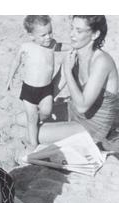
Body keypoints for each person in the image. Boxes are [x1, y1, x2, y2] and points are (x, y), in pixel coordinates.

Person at [37, 15, 119, 145]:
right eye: (72, 28)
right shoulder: (74, 54)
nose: (71, 35)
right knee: (22, 119)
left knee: (36, 133)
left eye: (79, 31)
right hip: (73, 111)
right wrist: (39, 103)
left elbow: (82, 106)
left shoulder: (101, 61)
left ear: (95, 34)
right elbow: (54, 88)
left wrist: (68, 72)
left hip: (93, 126)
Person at [6, 16, 70, 148]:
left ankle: (33, 124)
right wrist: (10, 77)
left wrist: (74, 46)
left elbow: (60, 46)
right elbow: (15, 61)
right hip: (29, 90)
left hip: (46, 88)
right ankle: (34, 144)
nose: (48, 37)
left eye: (50, 32)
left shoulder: (51, 44)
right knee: (32, 117)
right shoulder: (26, 47)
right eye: (43, 35)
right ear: (31, 35)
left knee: (46, 111)